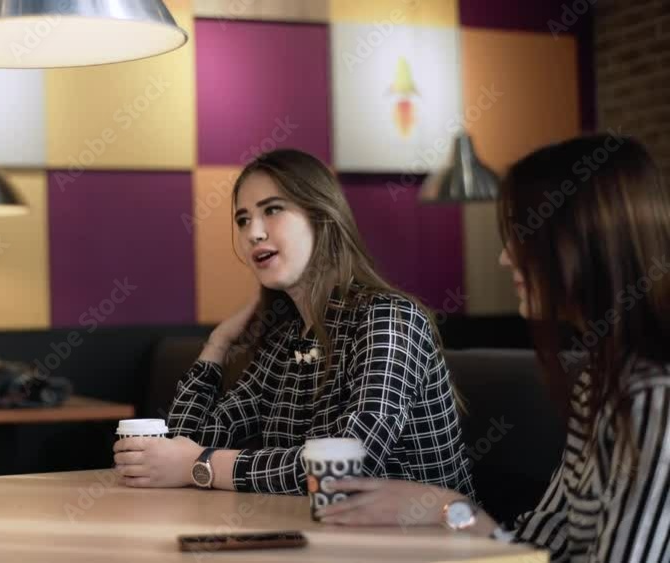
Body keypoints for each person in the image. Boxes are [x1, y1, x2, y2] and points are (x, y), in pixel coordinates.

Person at [315, 135, 670, 562]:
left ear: (585, 241)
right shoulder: (601, 379)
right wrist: (443, 506)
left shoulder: (653, 399)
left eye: (524, 234)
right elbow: (539, 546)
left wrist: (444, 508)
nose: (505, 258)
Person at [112, 149, 473, 497]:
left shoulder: (390, 318)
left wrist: (200, 465)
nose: (253, 232)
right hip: (327, 539)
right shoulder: (289, 338)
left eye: (272, 210)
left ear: (322, 217)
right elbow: (185, 444)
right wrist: (217, 345)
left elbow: (351, 464)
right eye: (243, 219)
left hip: (427, 545)